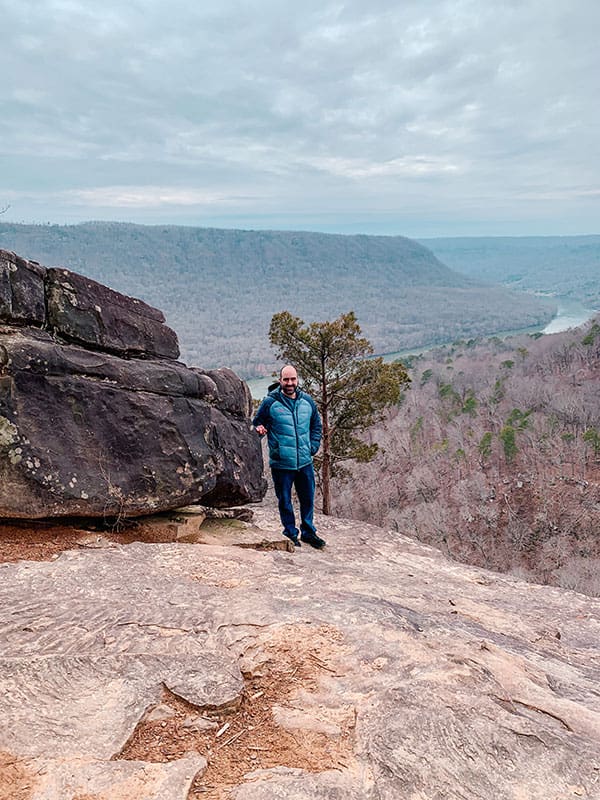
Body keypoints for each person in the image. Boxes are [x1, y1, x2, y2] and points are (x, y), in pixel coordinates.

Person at [253, 365, 326, 549]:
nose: (290, 383)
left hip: (305, 462)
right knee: (285, 500)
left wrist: (313, 446)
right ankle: (290, 533)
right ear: (280, 381)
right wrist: (259, 430)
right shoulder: (270, 402)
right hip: (281, 463)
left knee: (307, 499)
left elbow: (316, 426)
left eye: (293, 379)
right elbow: (257, 423)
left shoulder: (307, 401)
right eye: (286, 379)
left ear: (297, 379)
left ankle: (309, 532)